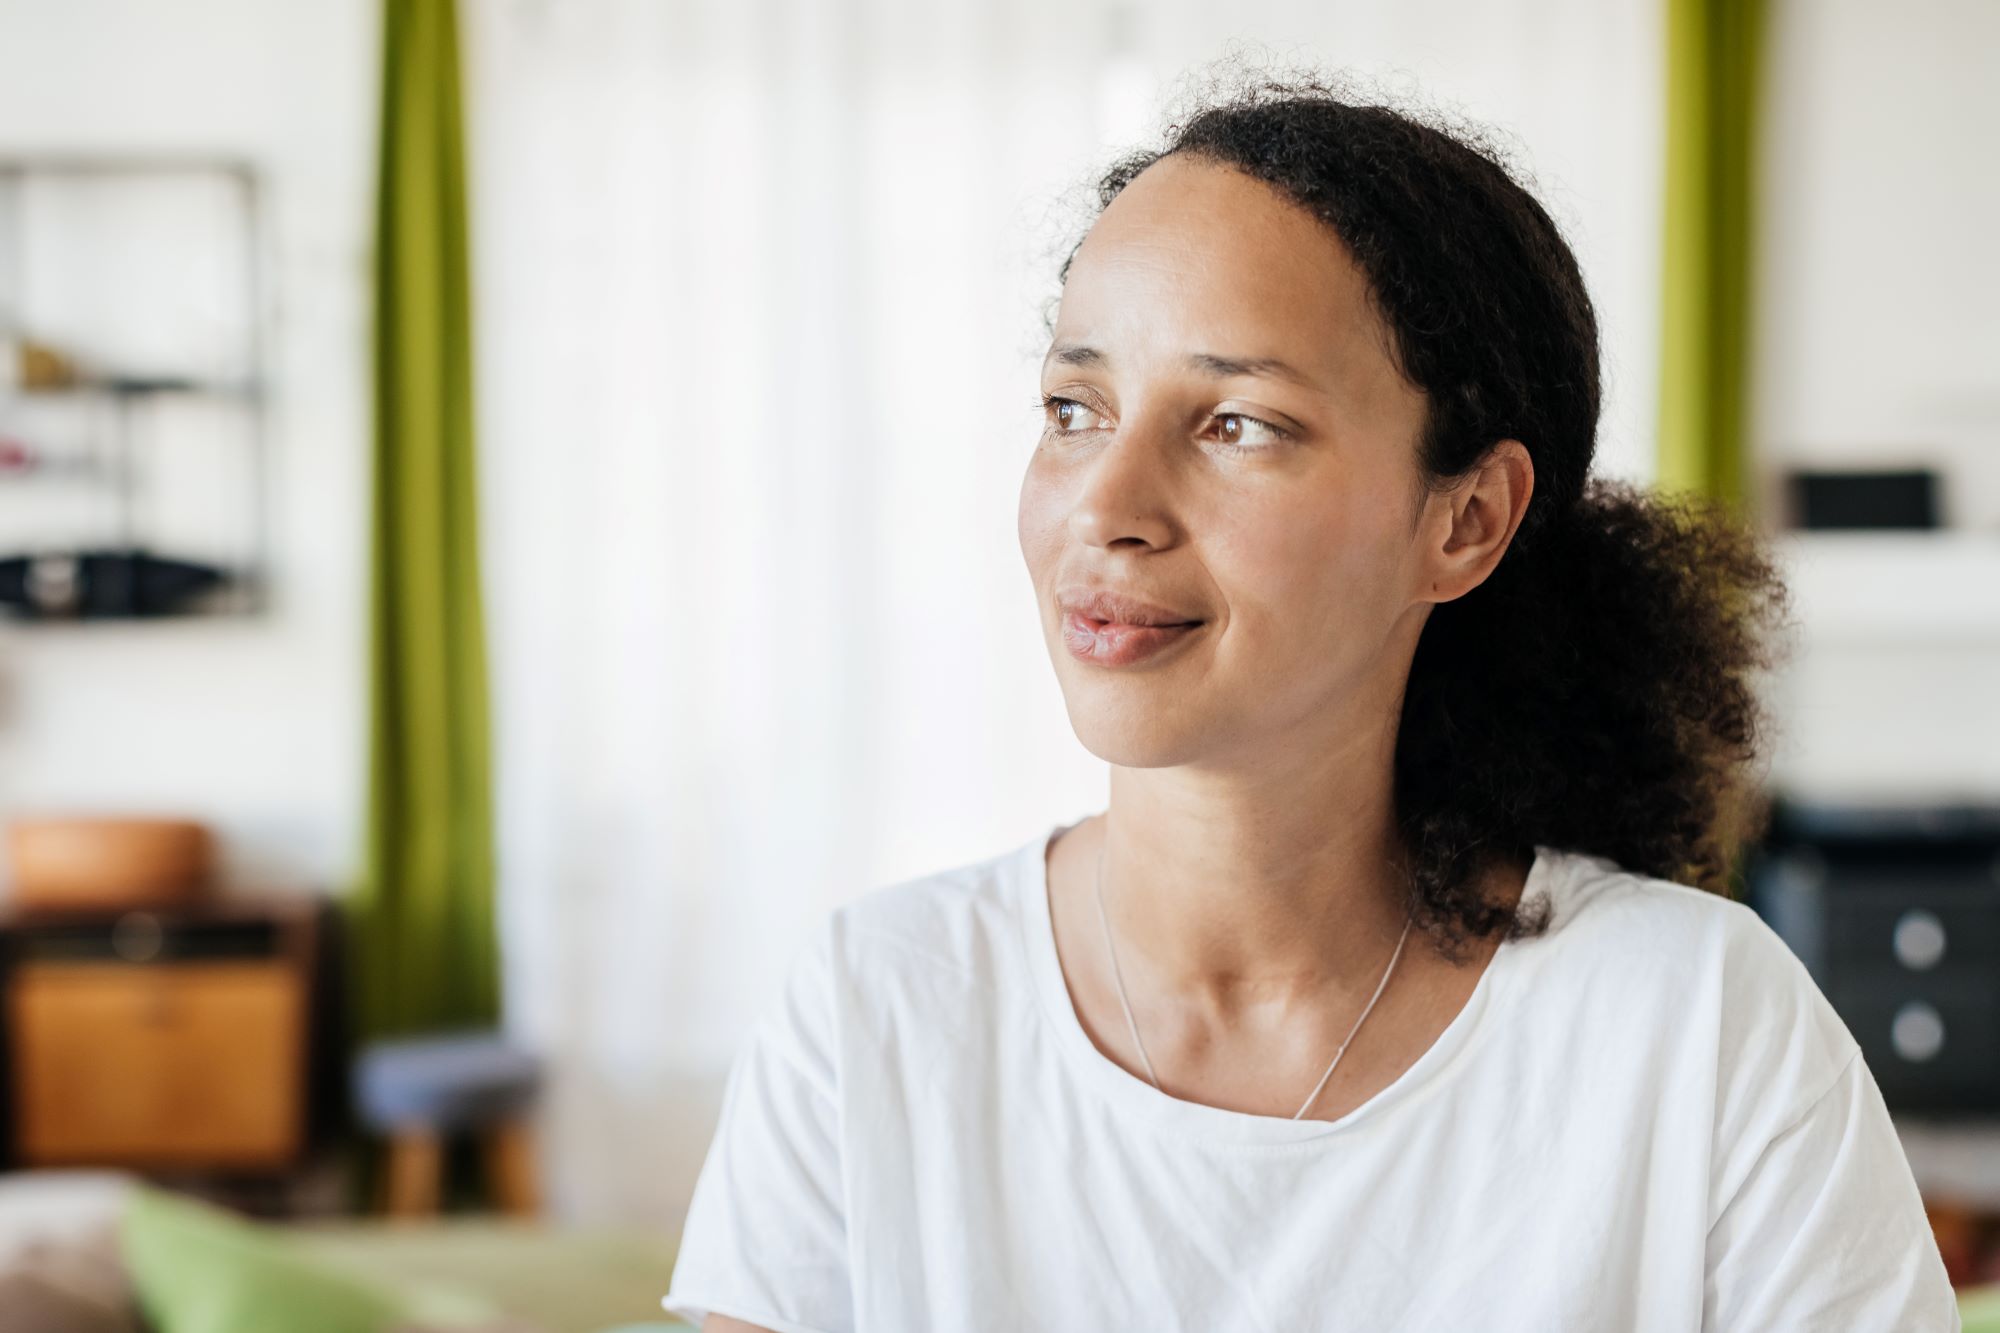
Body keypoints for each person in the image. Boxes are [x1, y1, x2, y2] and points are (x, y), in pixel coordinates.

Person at [662, 68, 1960, 1332]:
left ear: (1464, 521)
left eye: (1238, 424)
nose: (1105, 510)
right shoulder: (874, 1008)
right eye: (1074, 407)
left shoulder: (1700, 1030)